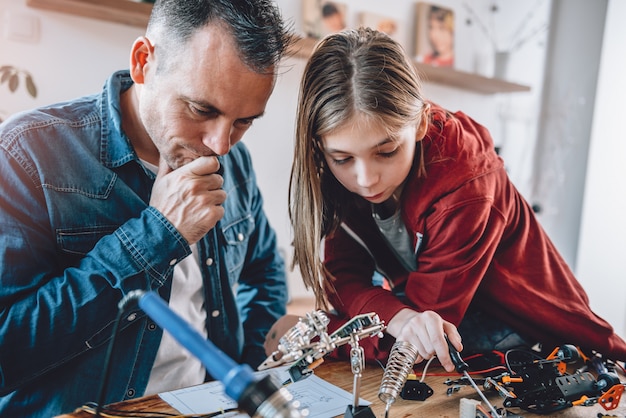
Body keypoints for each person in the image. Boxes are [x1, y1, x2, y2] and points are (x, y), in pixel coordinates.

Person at [265, 27, 626, 373]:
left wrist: (319, 335)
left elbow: (423, 343)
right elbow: (344, 278)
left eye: (387, 151)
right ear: (320, 148)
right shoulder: (336, 172)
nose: (365, 178)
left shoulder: (468, 188)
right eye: (342, 159)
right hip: (433, 310)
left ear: (420, 124)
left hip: (525, 332)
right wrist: (398, 317)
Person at [0, 1, 292, 416]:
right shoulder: (27, 154)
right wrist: (156, 236)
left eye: (244, 121)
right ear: (143, 62)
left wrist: (243, 376)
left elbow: (265, 273)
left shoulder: (234, 163)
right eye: (202, 109)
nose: (221, 144)